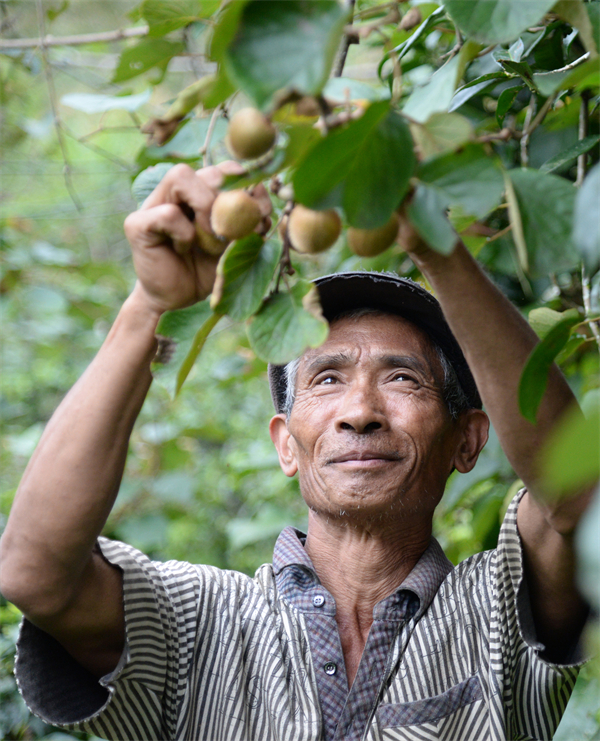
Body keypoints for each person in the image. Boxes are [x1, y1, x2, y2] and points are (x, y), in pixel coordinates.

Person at [0, 162, 591, 741]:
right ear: (286, 443)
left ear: (467, 440)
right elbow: (35, 574)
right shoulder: (200, 622)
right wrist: (149, 306)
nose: (360, 412)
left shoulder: (497, 611)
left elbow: (576, 496)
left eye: (403, 379)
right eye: (327, 379)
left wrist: (438, 246)